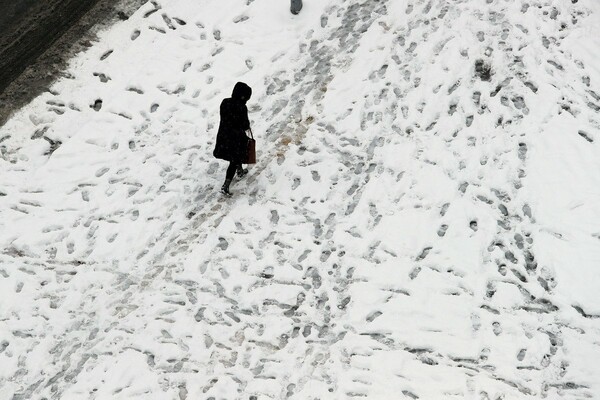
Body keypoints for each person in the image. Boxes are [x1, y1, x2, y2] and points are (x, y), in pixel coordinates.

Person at [213, 82, 253, 196]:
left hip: (224, 135)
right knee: (235, 159)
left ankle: (240, 171)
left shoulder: (225, 102)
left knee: (235, 156)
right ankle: (226, 185)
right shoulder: (241, 107)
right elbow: (245, 125)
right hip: (236, 137)